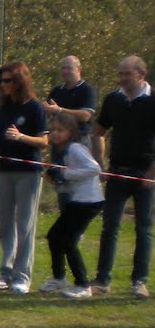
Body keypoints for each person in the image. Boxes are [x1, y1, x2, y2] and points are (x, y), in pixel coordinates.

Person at [90, 55, 154, 299]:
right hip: (118, 169)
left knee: (144, 228)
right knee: (110, 227)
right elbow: (99, 131)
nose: (122, 78)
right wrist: (100, 162)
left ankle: (139, 281)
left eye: (127, 74)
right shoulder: (114, 99)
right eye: (121, 74)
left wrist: (152, 171)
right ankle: (103, 280)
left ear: (141, 74)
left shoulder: (153, 100)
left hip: (145, 173)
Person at [0, 61, 49, 294]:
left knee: (24, 224)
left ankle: (22, 276)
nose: (3, 85)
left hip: (28, 172)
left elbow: (43, 141)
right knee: (5, 225)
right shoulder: (1, 107)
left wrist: (22, 137)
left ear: (20, 81)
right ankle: (6, 270)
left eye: (7, 81)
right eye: (0, 81)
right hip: (3, 169)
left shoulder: (34, 108)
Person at [40, 113, 104, 299]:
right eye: (53, 130)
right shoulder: (63, 150)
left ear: (71, 131)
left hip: (89, 202)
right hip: (77, 200)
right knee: (54, 236)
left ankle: (83, 285)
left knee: (68, 241)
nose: (55, 134)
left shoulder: (75, 148)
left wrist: (65, 174)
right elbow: (69, 180)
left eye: (61, 130)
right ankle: (59, 278)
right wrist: (57, 180)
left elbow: (94, 169)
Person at [47, 55, 98, 141]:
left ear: (79, 69)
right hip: (59, 140)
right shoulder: (57, 90)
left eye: (69, 68)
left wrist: (59, 110)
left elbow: (85, 116)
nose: (65, 71)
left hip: (79, 138)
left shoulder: (86, 89)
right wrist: (46, 109)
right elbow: (47, 112)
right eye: (63, 68)